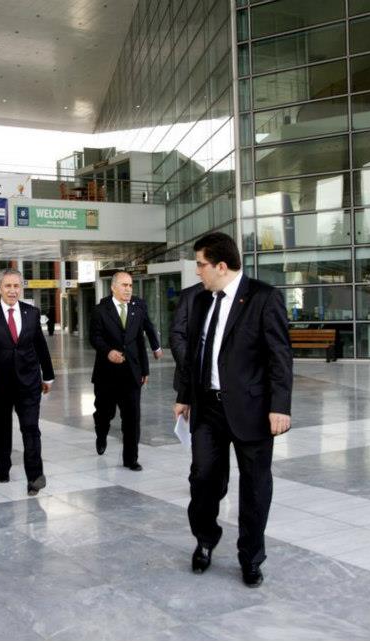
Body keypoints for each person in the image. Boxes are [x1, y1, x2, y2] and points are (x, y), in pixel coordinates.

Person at [173, 232, 292, 588]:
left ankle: (251, 557)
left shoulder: (264, 298)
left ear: (221, 266)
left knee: (255, 487)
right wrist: (184, 395)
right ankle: (205, 539)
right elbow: (193, 355)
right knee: (203, 479)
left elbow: (280, 356)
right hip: (207, 408)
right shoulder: (200, 301)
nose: (198, 271)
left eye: (201, 265)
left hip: (252, 410)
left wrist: (280, 407)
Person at [0, 268, 55, 496]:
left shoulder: (32, 313)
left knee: (31, 428)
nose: (12, 290)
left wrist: (48, 376)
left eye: (16, 286)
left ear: (21, 288)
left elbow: (40, 345)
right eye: (7, 286)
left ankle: (35, 477)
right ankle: (3, 465)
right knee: (2, 427)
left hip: (29, 382)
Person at [90, 271, 149, 470]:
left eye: (130, 285)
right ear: (113, 287)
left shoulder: (136, 310)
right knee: (104, 413)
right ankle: (101, 434)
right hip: (106, 374)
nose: (128, 289)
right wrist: (108, 352)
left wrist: (145, 370)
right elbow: (94, 337)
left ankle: (131, 459)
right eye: (124, 285)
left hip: (132, 373)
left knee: (132, 418)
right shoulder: (100, 310)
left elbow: (139, 341)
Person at [170, 283, 205, 392]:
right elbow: (177, 334)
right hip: (192, 381)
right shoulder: (189, 295)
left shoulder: (246, 294)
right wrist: (190, 366)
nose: (198, 274)